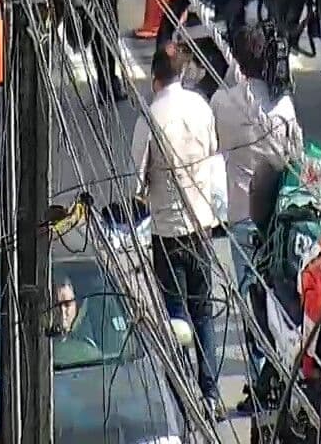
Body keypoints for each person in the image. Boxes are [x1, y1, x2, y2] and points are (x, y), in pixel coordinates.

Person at [210, 25, 301, 414]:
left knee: (252, 305)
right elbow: (297, 155)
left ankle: (262, 380)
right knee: (281, 300)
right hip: (279, 219)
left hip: (242, 219)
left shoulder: (221, 102)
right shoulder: (282, 106)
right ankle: (285, 376)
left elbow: (215, 146)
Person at [130, 43, 224, 419]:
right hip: (201, 227)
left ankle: (183, 394)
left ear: (154, 77)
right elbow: (213, 150)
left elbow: (136, 182)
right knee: (203, 312)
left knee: (176, 316)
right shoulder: (201, 107)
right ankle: (211, 393)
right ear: (182, 74)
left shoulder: (150, 117)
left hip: (166, 232)